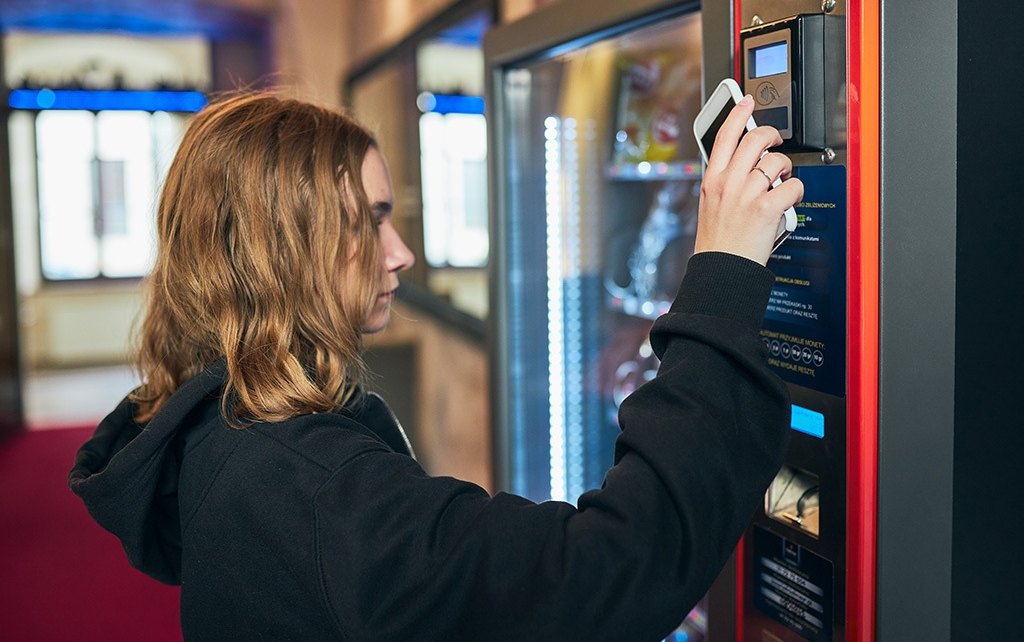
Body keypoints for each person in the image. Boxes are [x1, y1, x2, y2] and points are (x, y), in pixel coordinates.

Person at [69, 90, 803, 641]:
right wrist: (725, 281)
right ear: (279, 252)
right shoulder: (309, 486)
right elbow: (601, 575)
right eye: (370, 221)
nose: (401, 254)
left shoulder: (216, 424)